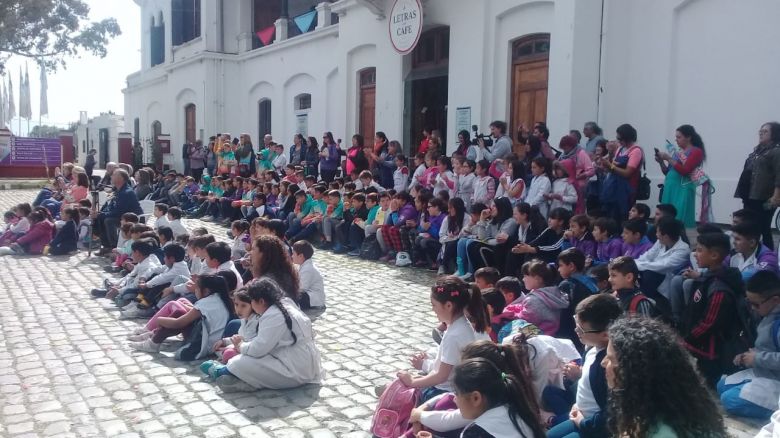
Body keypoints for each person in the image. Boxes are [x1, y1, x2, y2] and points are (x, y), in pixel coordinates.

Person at [602, 317, 728, 437]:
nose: (603, 363)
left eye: (611, 359)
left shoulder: (662, 432)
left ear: (635, 370)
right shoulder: (677, 410)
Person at [200, 278, 323, 392]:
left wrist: (241, 346)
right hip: (300, 362)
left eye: (252, 301)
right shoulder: (286, 303)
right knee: (242, 358)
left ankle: (222, 372)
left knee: (240, 362)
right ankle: (236, 376)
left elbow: (258, 349)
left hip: (295, 368)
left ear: (261, 301)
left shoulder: (273, 315)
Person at [397, 276, 490, 402]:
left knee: (399, 394)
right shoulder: (462, 324)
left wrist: (412, 382)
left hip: (443, 392)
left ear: (448, 305)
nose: (432, 309)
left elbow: (441, 376)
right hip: (451, 387)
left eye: (434, 305)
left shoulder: (454, 335)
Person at [547, 294, 620, 438]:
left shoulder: (608, 365)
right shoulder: (592, 348)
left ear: (605, 335)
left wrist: (584, 422)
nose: (576, 331)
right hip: (581, 413)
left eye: (581, 329)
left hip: (594, 426)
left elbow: (613, 412)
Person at [680, 232, 743, 387]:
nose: (695, 254)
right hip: (697, 343)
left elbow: (709, 324)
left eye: (700, 250)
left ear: (714, 255)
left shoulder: (719, 290)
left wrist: (686, 339)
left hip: (709, 352)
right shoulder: (708, 277)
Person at [716, 270, 780, 419]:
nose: (752, 308)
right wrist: (748, 356)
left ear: (775, 300)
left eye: (755, 304)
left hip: (775, 379)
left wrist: (757, 358)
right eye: (748, 302)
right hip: (765, 372)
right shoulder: (769, 315)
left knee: (729, 400)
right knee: (721, 385)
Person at [130, 274, 233, 357]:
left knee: (179, 314)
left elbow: (178, 323)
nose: (195, 291)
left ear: (206, 291)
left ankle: (153, 342)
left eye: (196, 288)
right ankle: (153, 336)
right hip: (211, 342)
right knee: (182, 312)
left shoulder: (206, 303)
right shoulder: (221, 299)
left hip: (202, 346)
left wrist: (159, 320)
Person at [447, 357, 545, 438]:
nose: (454, 399)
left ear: (476, 398)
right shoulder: (517, 410)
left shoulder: (476, 433)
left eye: (456, 393)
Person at [735, 122, 780, 250]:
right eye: (760, 131)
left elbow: (779, 174)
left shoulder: (776, 151)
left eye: (765, 131)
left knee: (763, 227)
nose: (761, 133)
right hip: (750, 195)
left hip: (764, 197)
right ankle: (751, 253)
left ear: (774, 134)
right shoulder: (758, 150)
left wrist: (776, 196)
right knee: (750, 227)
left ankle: (768, 257)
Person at [655, 124, 707, 228]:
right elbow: (668, 172)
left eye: (679, 137)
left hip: (683, 188)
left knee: (680, 216)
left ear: (688, 137)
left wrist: (669, 158)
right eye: (676, 137)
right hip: (670, 187)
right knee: (666, 216)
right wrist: (661, 162)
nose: (676, 140)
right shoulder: (677, 153)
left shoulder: (696, 151)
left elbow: (685, 170)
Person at [635, 217, 690, 312]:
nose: (656, 235)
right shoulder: (661, 242)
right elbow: (648, 256)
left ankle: (645, 305)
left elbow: (663, 265)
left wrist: (637, 264)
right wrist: (634, 263)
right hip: (654, 279)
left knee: (649, 274)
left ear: (666, 236)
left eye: (658, 232)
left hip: (666, 283)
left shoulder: (683, 249)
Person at [597, 124, 644, 223]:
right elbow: (612, 168)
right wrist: (608, 157)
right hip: (612, 188)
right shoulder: (620, 149)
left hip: (625, 190)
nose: (618, 141)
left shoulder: (636, 151)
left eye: (620, 139)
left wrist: (610, 166)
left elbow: (627, 173)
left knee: (621, 218)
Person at [556, 248, 600, 350]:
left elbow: (563, 314)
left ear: (571, 266)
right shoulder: (592, 282)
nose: (558, 269)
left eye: (561, 265)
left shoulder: (566, 285)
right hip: (590, 330)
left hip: (571, 331)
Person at [93, 169, 143, 255]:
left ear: (121, 178)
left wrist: (101, 215)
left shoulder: (126, 192)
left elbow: (118, 211)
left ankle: (114, 247)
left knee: (108, 220)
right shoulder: (117, 190)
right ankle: (106, 245)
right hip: (121, 215)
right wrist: (99, 214)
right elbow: (110, 206)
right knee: (100, 218)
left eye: (114, 175)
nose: (111, 176)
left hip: (131, 218)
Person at [558, 134, 595, 214]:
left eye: (565, 147)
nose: (564, 150)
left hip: (578, 187)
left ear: (571, 146)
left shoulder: (581, 154)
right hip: (565, 186)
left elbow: (591, 171)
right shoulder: (563, 155)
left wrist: (580, 176)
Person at [292, 241, 325, 310]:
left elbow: (302, 288)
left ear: (301, 256)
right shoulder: (304, 265)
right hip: (308, 294)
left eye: (293, 254)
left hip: (313, 298)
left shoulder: (308, 269)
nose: (292, 256)